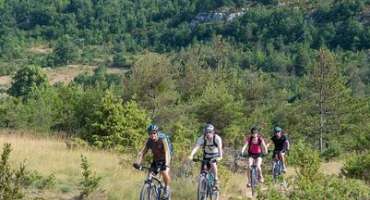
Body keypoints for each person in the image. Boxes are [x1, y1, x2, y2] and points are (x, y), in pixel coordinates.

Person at [135, 124, 171, 198]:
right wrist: (138, 162)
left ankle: (167, 188)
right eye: (150, 133)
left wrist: (166, 164)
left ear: (157, 133)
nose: (152, 135)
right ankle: (150, 192)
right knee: (150, 175)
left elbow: (167, 152)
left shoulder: (162, 139)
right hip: (156, 159)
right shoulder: (149, 141)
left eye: (154, 133)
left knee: (164, 172)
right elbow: (142, 152)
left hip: (165, 158)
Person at [188, 123, 223, 190]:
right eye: (206, 132)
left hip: (215, 155)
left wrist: (220, 157)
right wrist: (191, 155)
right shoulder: (202, 138)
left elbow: (220, 149)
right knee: (203, 172)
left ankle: (216, 180)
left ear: (213, 132)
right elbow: (196, 147)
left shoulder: (217, 138)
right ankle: (202, 191)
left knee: (213, 163)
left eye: (210, 132)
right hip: (206, 155)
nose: (208, 134)